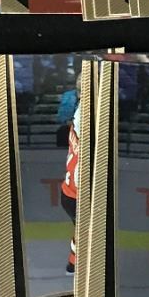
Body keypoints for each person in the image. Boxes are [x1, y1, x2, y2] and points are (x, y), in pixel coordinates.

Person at [60, 111, 81, 275]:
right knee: (85, 231)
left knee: (80, 230)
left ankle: (72, 265)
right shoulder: (85, 149)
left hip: (67, 193)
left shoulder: (75, 127)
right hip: (75, 197)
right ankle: (74, 265)